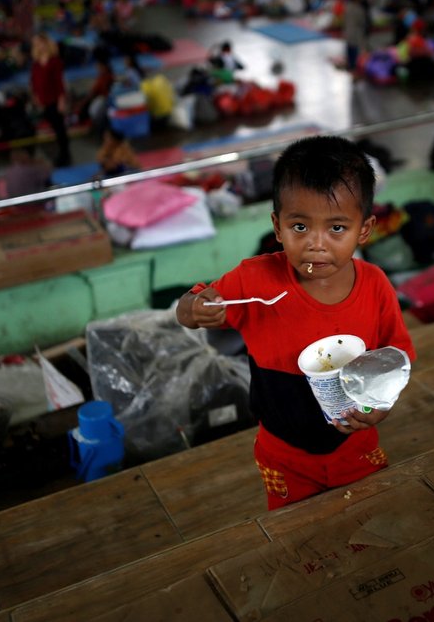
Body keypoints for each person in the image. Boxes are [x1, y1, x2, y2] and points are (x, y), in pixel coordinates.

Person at [176, 136, 415, 510]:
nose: (316, 244)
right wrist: (195, 308)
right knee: (295, 544)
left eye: (337, 228)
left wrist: (380, 408)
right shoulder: (254, 280)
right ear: (277, 226)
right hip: (282, 456)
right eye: (300, 227)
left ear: (364, 230)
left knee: (373, 522)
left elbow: (396, 358)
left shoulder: (376, 287)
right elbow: (190, 307)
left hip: (356, 447)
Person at [30, 32, 72, 167]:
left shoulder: (54, 61)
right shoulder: (36, 64)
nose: (39, 46)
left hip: (54, 98)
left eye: (40, 43)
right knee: (52, 126)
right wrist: (36, 97)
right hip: (43, 99)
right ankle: (57, 151)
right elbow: (34, 82)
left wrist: (61, 100)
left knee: (59, 127)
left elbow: (59, 82)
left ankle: (65, 153)